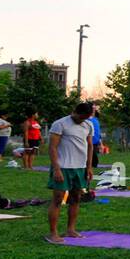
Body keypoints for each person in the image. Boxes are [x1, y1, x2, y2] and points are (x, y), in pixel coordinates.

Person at [45, 102, 94, 242]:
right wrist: (56, 168)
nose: (82, 120)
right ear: (75, 112)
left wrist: (89, 167)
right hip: (63, 167)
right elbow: (52, 148)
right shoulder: (60, 124)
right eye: (81, 117)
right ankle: (53, 233)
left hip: (80, 167)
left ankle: (71, 230)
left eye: (85, 118)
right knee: (58, 199)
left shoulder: (88, 125)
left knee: (76, 199)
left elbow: (90, 146)